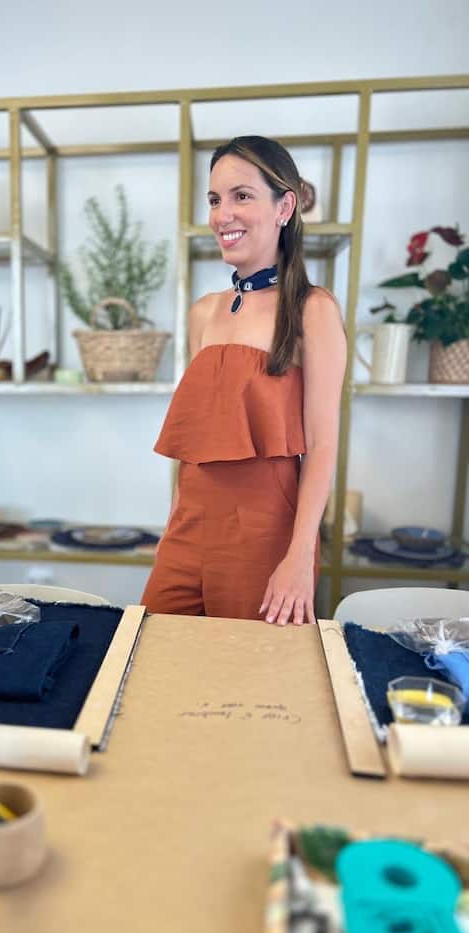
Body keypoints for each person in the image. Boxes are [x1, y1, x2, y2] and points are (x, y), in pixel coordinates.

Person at [141, 135, 347, 626]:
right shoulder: (203, 313)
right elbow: (196, 440)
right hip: (187, 528)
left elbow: (322, 445)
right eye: (215, 200)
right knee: (154, 651)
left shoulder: (312, 310)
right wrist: (171, 529)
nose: (223, 214)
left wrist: (300, 556)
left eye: (242, 196)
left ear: (285, 207)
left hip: (264, 536)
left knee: (250, 668)